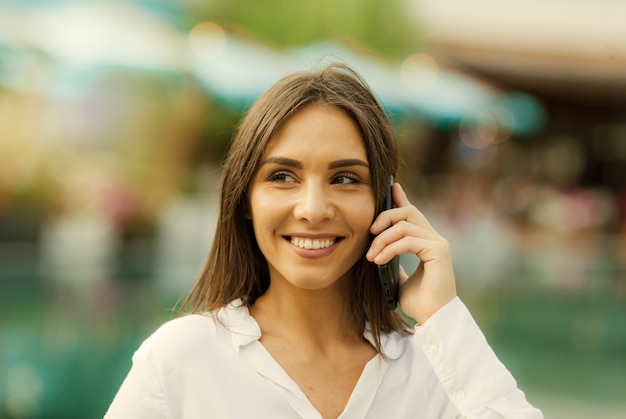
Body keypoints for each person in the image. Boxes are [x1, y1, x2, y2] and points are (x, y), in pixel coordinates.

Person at [104, 63, 543, 418]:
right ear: (244, 200)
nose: (313, 209)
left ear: (386, 200)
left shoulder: (438, 369)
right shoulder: (180, 362)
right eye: (282, 176)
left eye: (346, 178)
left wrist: (443, 318)